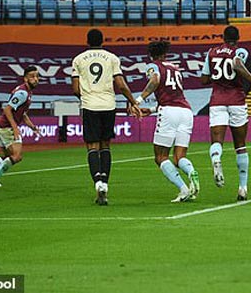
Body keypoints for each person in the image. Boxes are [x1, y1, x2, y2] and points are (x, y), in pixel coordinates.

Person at [71, 28, 141, 206]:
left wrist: (86, 97)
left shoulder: (78, 59)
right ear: (103, 41)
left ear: (87, 41)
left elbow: (75, 89)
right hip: (108, 105)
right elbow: (121, 84)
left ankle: (98, 183)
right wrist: (133, 102)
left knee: (92, 146)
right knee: (106, 145)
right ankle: (105, 183)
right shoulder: (112, 58)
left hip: (90, 105)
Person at [200, 26, 251, 201]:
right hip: (236, 100)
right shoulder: (238, 52)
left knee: (216, 141)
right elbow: (237, 65)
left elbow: (204, 79)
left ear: (223, 37)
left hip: (217, 101)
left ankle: (216, 159)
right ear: (238, 37)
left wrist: (216, 77)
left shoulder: (211, 52)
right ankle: (242, 188)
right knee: (240, 145)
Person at [135, 41, 200, 202]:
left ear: (151, 55)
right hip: (186, 111)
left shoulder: (154, 66)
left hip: (169, 112)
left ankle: (183, 189)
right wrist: (150, 110)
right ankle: (191, 171)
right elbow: (173, 95)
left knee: (160, 156)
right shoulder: (175, 68)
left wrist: (138, 100)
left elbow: (155, 80)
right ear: (165, 53)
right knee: (179, 157)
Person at [0, 66, 41, 187]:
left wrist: (32, 127)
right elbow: (7, 109)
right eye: (32, 76)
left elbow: (22, 114)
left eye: (37, 76)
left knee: (7, 156)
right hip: (6, 127)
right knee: (16, 156)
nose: (36, 79)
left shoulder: (27, 92)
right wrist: (15, 127)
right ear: (25, 78)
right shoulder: (22, 93)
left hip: (1, 125)